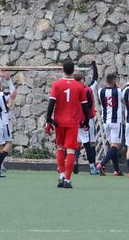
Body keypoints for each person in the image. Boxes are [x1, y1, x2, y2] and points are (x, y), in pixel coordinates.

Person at [45, 59, 89, 188]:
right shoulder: (80, 86)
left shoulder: (57, 84)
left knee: (60, 148)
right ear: (73, 70)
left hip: (59, 121)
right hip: (73, 122)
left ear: (62, 69)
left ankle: (61, 175)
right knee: (70, 150)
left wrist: (49, 119)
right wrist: (86, 120)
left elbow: (51, 103)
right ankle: (68, 180)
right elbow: (85, 106)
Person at [96, 70, 124, 176]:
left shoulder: (100, 91)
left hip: (105, 121)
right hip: (116, 121)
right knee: (115, 145)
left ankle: (117, 169)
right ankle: (102, 164)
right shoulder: (118, 91)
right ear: (114, 81)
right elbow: (123, 98)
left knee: (112, 145)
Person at [75, 61, 99, 175]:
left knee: (76, 143)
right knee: (89, 143)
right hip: (87, 120)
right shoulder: (87, 89)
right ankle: (92, 167)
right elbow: (95, 77)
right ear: (83, 81)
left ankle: (74, 162)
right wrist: (94, 64)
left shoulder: (73, 90)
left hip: (75, 120)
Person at [0, 70, 18, 173]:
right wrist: (8, 80)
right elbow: (13, 94)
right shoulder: (1, 96)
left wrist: (0, 77)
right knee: (9, 143)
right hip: (3, 121)